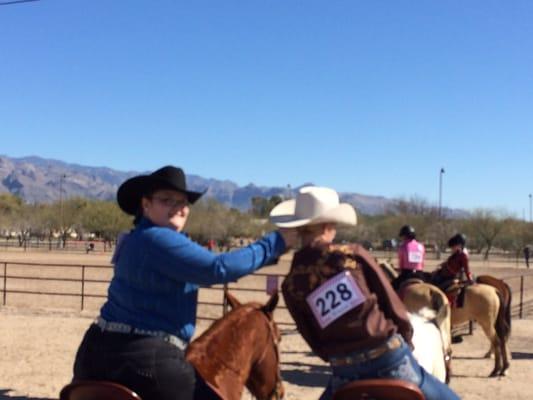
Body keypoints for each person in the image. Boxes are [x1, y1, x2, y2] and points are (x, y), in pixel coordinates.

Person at [71, 165, 297, 400]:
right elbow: (217, 268)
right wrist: (276, 242)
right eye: (166, 200)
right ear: (146, 204)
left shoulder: (136, 238)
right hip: (146, 358)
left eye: (182, 202)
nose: (178, 207)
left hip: (95, 351)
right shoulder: (158, 238)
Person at [271, 186, 460, 400]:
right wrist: (405, 339)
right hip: (391, 360)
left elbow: (313, 338)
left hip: (344, 373)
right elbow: (392, 304)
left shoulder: (291, 284)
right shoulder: (352, 256)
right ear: (327, 226)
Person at [392, 225, 426, 290]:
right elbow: (422, 263)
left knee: (391, 288)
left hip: (407, 274)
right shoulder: (421, 246)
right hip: (420, 274)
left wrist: (400, 271)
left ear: (404, 236)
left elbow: (401, 264)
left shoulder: (403, 247)